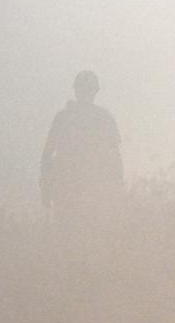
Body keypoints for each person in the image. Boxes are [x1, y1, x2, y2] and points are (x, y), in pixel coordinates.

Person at [40, 70, 123, 217]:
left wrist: (46, 187)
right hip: (86, 192)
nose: (85, 94)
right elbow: (115, 157)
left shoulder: (64, 117)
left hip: (75, 191)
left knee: (70, 235)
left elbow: (47, 155)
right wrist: (117, 188)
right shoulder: (103, 118)